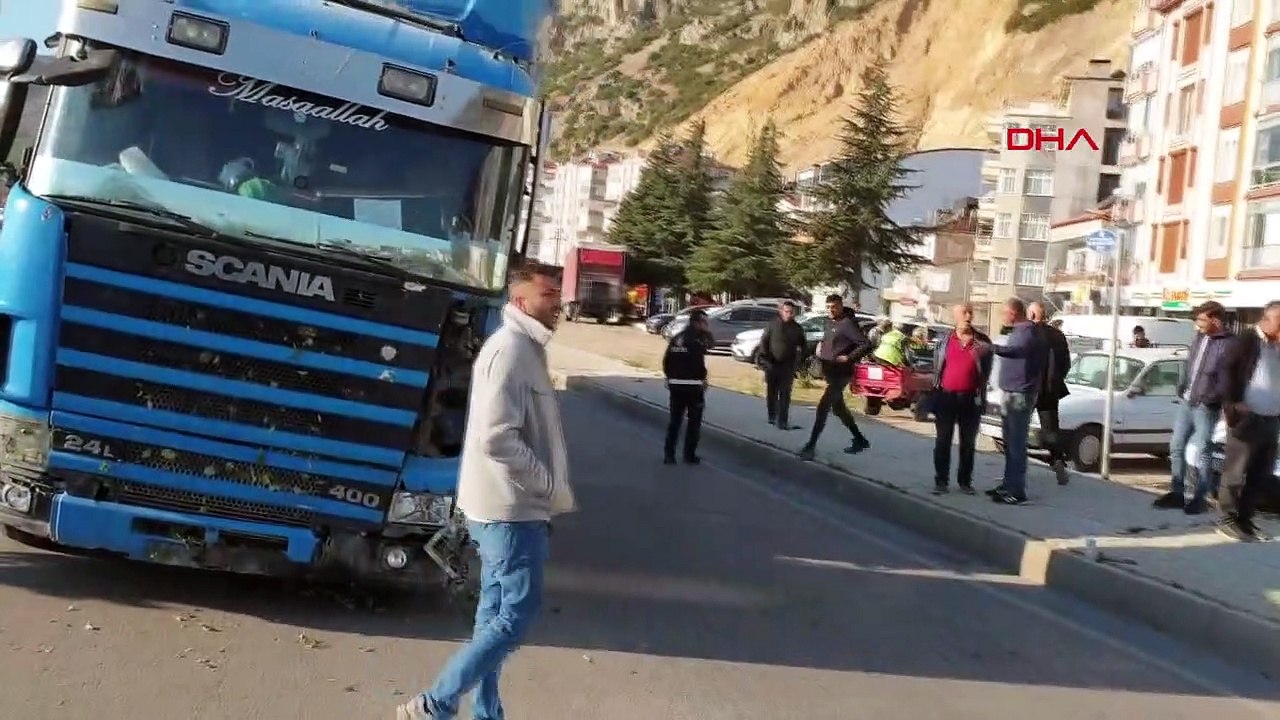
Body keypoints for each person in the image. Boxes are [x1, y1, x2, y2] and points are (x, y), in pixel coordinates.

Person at [397, 262, 576, 720]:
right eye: (548, 295)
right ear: (520, 302)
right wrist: (546, 484)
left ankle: (486, 710)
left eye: (557, 294)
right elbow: (496, 437)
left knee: (492, 615)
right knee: (513, 619)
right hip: (510, 509)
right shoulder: (511, 350)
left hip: (505, 506)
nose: (557, 303)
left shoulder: (522, 346)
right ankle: (434, 704)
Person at [1156, 301, 1233, 514]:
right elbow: (1191, 365)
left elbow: (1227, 379)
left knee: (1204, 450)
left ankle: (1201, 497)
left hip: (1206, 406)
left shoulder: (1228, 344)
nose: (1197, 325)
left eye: (1201, 320)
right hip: (1187, 401)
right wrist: (1182, 386)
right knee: (1176, 445)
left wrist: (1211, 398)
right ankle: (1177, 492)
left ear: (1215, 321)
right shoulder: (1199, 338)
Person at [1215, 301, 1280, 541]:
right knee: (1236, 471)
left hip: (1271, 418)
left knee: (1260, 473)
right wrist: (1232, 403)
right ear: (1267, 319)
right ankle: (1227, 518)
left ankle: (1246, 519)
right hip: (1247, 417)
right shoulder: (1246, 341)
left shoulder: (1276, 345)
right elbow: (1225, 373)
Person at [980, 298, 1046, 505]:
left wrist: (992, 348)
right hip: (1011, 392)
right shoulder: (1018, 330)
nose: (1002, 316)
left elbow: (1017, 351)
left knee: (1016, 443)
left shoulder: (1027, 331)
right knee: (1009, 443)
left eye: (1004, 313)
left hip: (1021, 394)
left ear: (1014, 313)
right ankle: (1008, 484)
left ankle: (1017, 490)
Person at [798, 295, 874, 461]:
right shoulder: (829, 322)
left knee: (823, 407)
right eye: (828, 307)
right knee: (839, 409)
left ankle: (810, 446)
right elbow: (831, 342)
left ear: (840, 306)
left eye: (834, 306)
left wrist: (849, 357)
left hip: (841, 373)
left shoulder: (847, 324)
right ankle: (860, 440)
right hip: (830, 372)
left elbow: (866, 344)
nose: (831, 310)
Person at [931, 303, 992, 495]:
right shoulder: (944, 340)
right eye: (963, 313)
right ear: (954, 316)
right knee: (943, 441)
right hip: (946, 397)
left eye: (970, 313)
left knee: (968, 443)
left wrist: (980, 394)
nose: (968, 316)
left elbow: (987, 370)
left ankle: (965, 481)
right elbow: (937, 367)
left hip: (970, 399)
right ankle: (941, 481)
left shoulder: (981, 342)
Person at [1028, 302, 1072, 485]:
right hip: (1050, 390)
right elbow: (1066, 364)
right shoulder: (1058, 335)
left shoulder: (1027, 334)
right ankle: (1058, 459)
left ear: (1031, 315)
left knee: (1018, 427)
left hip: (1029, 389)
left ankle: (1015, 468)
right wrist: (1055, 380)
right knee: (1051, 430)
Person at [662, 309, 711, 464]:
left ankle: (669, 455)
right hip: (693, 387)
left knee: (675, 422)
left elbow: (666, 361)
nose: (706, 325)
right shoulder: (697, 341)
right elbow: (698, 365)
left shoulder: (676, 338)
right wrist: (703, 379)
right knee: (694, 423)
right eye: (704, 322)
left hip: (676, 386)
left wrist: (670, 377)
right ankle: (689, 454)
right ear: (696, 323)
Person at [758, 301, 807, 430]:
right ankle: (772, 416)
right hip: (772, 364)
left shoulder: (796, 328)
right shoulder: (773, 325)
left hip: (788, 366)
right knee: (772, 392)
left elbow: (803, 345)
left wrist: (800, 361)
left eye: (791, 312)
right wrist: (764, 360)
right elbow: (764, 342)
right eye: (787, 312)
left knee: (785, 393)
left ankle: (782, 420)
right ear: (781, 311)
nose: (789, 315)